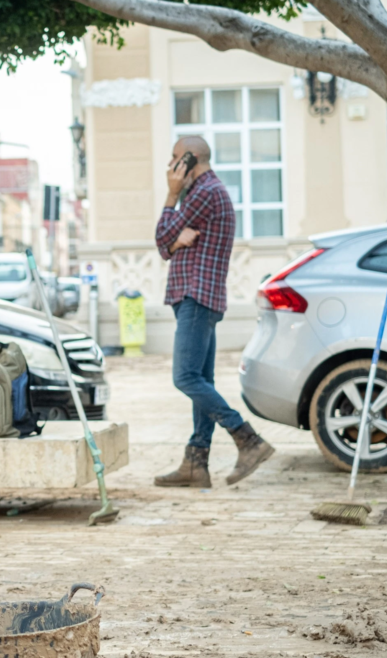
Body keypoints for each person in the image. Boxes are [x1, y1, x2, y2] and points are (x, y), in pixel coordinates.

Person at [153, 136, 275, 489]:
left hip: (196, 296)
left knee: (186, 378)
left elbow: (162, 236)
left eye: (175, 159)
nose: (170, 167)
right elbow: (167, 243)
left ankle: (247, 438)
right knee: (200, 381)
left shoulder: (204, 192)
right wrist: (175, 239)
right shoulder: (205, 192)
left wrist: (171, 196)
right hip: (199, 297)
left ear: (190, 159)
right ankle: (196, 461)